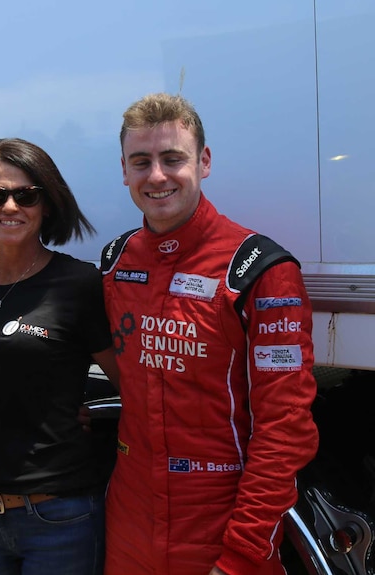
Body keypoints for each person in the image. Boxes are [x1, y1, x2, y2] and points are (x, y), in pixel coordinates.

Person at [100, 92, 318, 575]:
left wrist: (242, 552)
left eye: (172, 158)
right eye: (141, 162)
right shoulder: (116, 261)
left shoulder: (259, 268)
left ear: (204, 161)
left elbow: (285, 430)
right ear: (123, 170)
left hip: (219, 529)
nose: (156, 176)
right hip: (130, 523)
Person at [0, 137, 120, 575]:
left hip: (59, 516)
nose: (9, 206)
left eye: (25, 194)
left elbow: (130, 383)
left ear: (48, 203)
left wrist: (98, 420)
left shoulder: (78, 284)